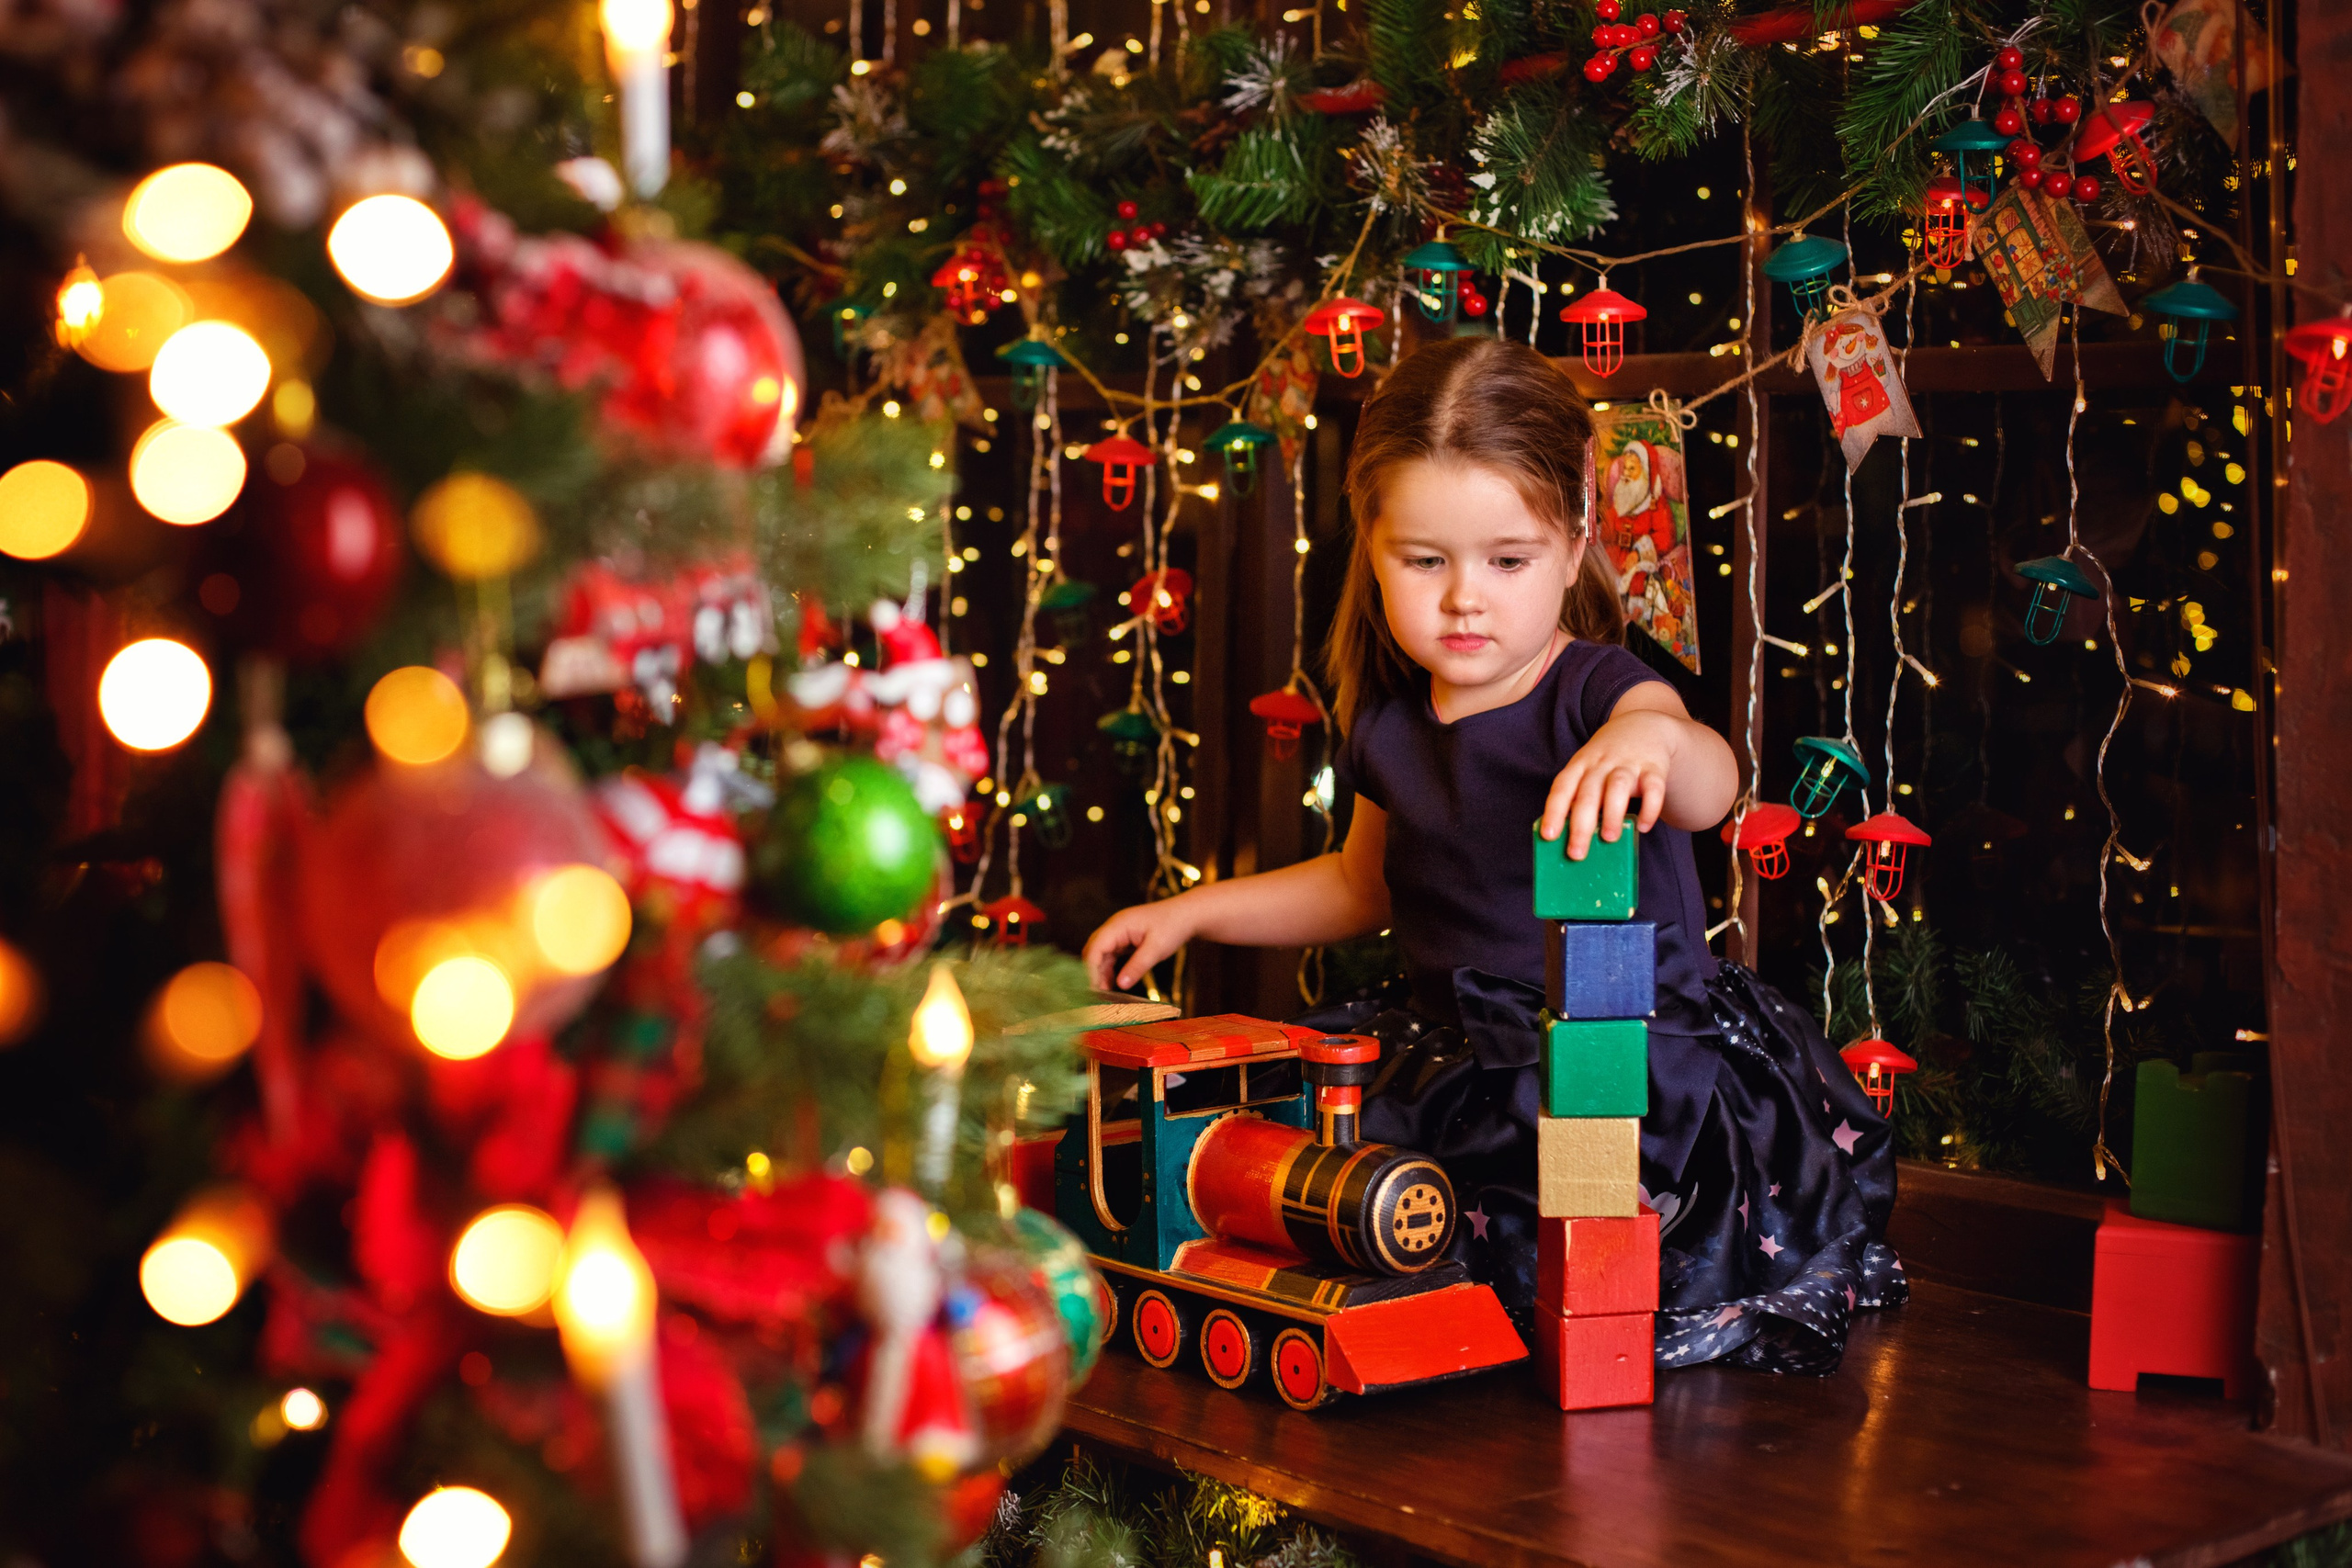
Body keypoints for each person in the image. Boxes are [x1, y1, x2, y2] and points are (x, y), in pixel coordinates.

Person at [1081, 335, 1905, 1375]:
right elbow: (1359, 884)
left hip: (1626, 1062)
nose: (1464, 597)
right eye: (1423, 561)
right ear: (1371, 549)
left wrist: (1650, 740)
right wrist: (1195, 910)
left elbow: (1710, 785)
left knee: (1560, 1249)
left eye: (1506, 561)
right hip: (1462, 1058)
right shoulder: (1388, 718)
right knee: (1338, 1201)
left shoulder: (1598, 691)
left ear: (1573, 547)